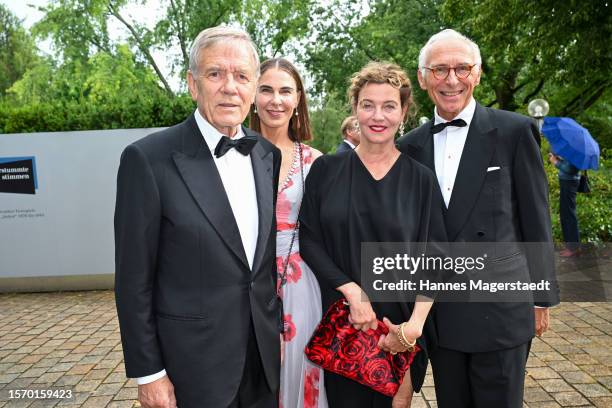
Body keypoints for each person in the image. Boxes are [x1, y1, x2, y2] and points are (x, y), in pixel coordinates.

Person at [114, 26, 282, 408]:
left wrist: (273, 334)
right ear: (193, 84)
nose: (230, 87)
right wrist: (149, 373)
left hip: (262, 365)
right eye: (215, 74)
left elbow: (262, 265)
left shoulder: (264, 155)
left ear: (254, 88)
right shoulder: (147, 160)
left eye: (241, 76)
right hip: (191, 369)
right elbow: (132, 278)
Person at [397, 29, 560, 408]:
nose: (451, 79)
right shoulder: (410, 147)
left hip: (501, 310)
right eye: (439, 70)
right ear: (423, 78)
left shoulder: (514, 131)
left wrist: (542, 297)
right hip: (441, 312)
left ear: (478, 73)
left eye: (462, 68)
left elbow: (536, 217)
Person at [299, 61, 446, 408]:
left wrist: (413, 328)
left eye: (389, 105)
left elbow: (436, 256)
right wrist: (352, 293)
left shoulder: (421, 179)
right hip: (345, 326)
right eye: (368, 105)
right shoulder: (326, 170)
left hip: (399, 329)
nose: (377, 116)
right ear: (355, 110)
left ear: (404, 112)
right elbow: (309, 239)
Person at [249, 57, 328, 408]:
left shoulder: (315, 161)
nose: (275, 100)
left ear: (298, 99)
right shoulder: (232, 154)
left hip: (300, 284)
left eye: (285, 91)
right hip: (246, 283)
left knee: (302, 374)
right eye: (266, 89)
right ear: (253, 95)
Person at [548, 153, 581, 257]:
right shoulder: (572, 147)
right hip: (566, 182)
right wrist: (558, 157)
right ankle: (571, 246)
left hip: (569, 183)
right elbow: (568, 164)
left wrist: (556, 162)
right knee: (565, 214)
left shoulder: (576, 148)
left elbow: (572, 169)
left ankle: (573, 248)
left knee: (568, 215)